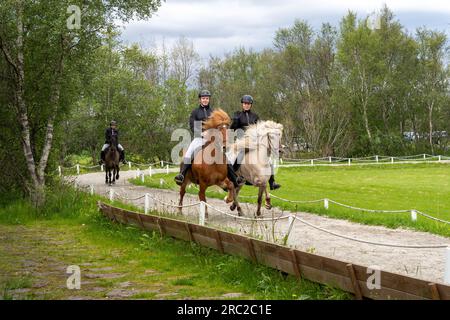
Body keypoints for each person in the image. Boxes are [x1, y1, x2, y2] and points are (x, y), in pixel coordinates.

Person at [174, 90, 243, 188]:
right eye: (203, 98)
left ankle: (234, 178)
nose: (205, 100)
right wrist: (201, 133)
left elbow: (219, 126)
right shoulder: (195, 112)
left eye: (207, 98)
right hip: (199, 138)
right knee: (190, 152)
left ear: (209, 99)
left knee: (224, 156)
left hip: (213, 139)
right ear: (200, 100)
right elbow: (192, 125)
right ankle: (181, 175)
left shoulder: (213, 112)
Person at [230, 95, 281, 190]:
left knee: (268, 159)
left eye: (248, 104)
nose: (246, 105)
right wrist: (235, 122)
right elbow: (232, 129)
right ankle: (236, 177)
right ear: (242, 104)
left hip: (254, 141)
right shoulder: (238, 115)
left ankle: (272, 181)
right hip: (242, 141)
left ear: (251, 105)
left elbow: (261, 129)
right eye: (245, 103)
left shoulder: (255, 116)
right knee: (237, 157)